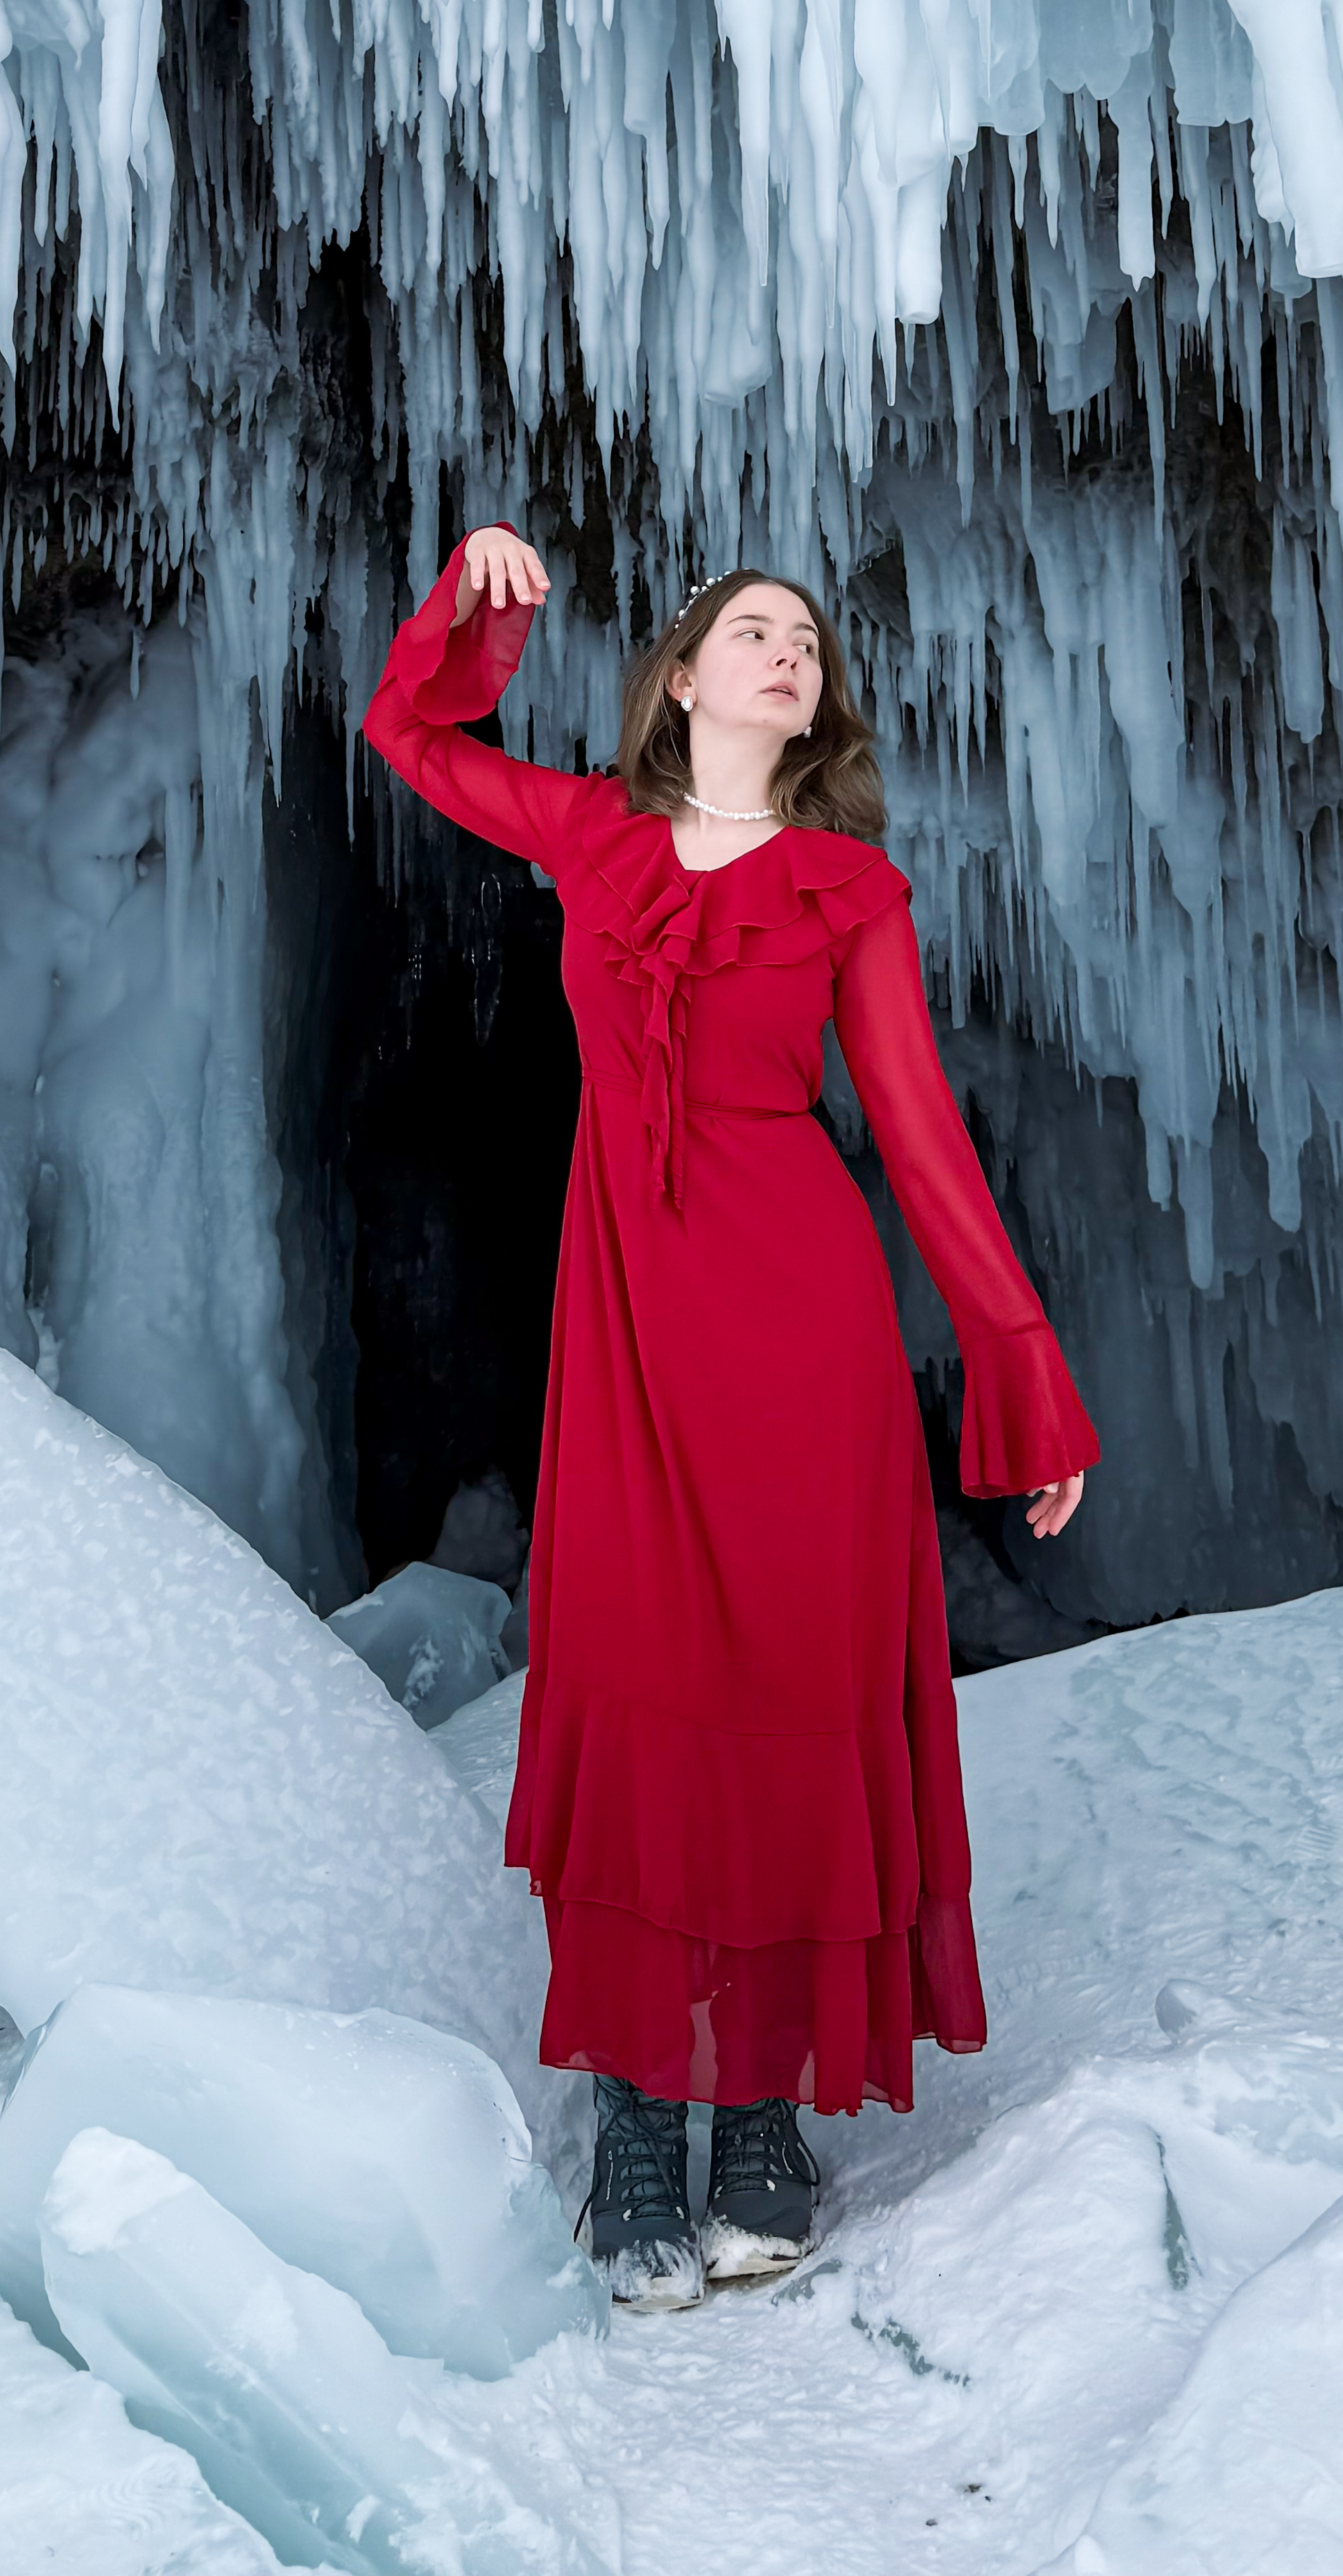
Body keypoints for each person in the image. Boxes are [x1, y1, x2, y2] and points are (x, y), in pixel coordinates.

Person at [363, 526, 1098, 2310]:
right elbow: (417, 746)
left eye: (805, 643)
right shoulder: (595, 839)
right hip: (626, 1331)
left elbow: (916, 1142)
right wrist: (474, 615)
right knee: (635, 1683)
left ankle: (761, 2114)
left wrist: (1018, 1359)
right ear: (681, 680)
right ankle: (635, 2116)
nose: (784, 655)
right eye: (747, 632)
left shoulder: (850, 891)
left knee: (784, 1688)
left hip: (802, 1328)